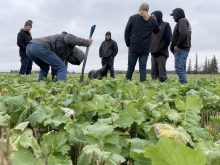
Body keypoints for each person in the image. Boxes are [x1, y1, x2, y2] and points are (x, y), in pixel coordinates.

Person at [26, 31, 93, 81]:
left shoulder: (62, 54)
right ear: (75, 54)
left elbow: (55, 68)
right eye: (73, 60)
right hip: (39, 47)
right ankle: (61, 90)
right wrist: (86, 42)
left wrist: (55, 80)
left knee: (44, 68)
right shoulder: (68, 41)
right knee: (62, 67)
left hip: (30, 49)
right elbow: (72, 39)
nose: (71, 61)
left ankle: (40, 85)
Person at [124, 2, 160, 82]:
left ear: (140, 8)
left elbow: (126, 32)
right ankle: (142, 84)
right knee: (143, 67)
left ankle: (126, 83)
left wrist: (128, 43)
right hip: (145, 48)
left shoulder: (132, 18)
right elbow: (157, 31)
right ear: (148, 10)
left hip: (133, 46)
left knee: (130, 67)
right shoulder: (152, 20)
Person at [170, 8, 192, 84]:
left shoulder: (181, 21)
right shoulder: (184, 21)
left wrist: (178, 45)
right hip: (184, 48)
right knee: (182, 68)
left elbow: (184, 34)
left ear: (177, 14)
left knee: (179, 68)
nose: (173, 17)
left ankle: (184, 85)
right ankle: (185, 84)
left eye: (173, 15)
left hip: (181, 48)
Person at [150, 11, 172, 82]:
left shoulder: (166, 25)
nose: (152, 18)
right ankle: (154, 87)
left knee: (161, 73)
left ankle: (163, 87)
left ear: (158, 16)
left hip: (162, 53)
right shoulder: (151, 26)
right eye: (151, 16)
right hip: (153, 53)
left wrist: (161, 47)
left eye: (153, 16)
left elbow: (168, 38)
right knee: (153, 72)